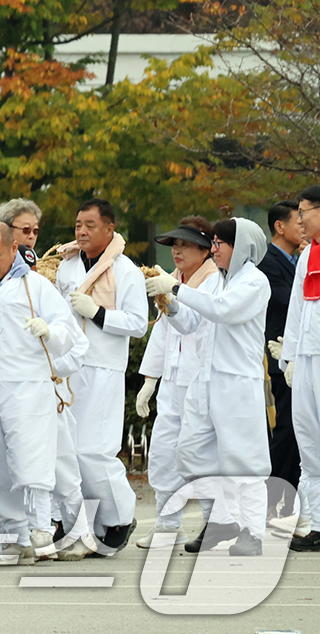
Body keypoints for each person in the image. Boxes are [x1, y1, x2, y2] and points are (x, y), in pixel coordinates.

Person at [146, 218, 271, 556]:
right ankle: (222, 519)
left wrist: (175, 288)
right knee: (191, 455)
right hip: (205, 382)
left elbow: (222, 312)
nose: (214, 250)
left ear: (240, 246)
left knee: (245, 463)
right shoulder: (218, 282)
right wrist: (169, 304)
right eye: (213, 243)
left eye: (220, 244)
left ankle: (252, 532)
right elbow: (191, 322)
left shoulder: (254, 282)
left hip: (237, 385)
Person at [0, 222, 83, 564]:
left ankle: (41, 527)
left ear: (13, 250)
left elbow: (68, 329)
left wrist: (49, 331)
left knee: (32, 453)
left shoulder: (35, 286)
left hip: (26, 382)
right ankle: (16, 531)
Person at [53, 198, 147, 553]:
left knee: (95, 450)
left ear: (110, 229)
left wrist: (98, 313)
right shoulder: (67, 268)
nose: (81, 231)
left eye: (90, 225)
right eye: (78, 225)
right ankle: (86, 526)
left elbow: (138, 323)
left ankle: (120, 516)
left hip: (103, 367)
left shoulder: (126, 271)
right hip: (68, 367)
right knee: (70, 452)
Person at [134, 218, 217, 547]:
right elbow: (162, 331)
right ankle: (168, 526)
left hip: (202, 380)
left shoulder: (214, 282)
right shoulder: (170, 280)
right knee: (164, 453)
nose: (177, 251)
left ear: (204, 248)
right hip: (172, 380)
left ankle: (215, 524)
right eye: (174, 246)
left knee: (200, 455)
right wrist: (149, 380)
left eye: (184, 245)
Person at [281, 184, 320, 551]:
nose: (300, 220)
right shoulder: (308, 256)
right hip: (308, 357)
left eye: (304, 211)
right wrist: (290, 355)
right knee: (308, 441)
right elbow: (297, 307)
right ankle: (315, 524)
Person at [259, 200, 303, 524]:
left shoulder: (297, 258)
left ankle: (291, 500)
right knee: (286, 430)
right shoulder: (268, 261)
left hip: (300, 356)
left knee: (300, 431)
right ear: (279, 226)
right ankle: (274, 499)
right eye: (297, 221)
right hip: (280, 356)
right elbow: (290, 300)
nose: (303, 226)